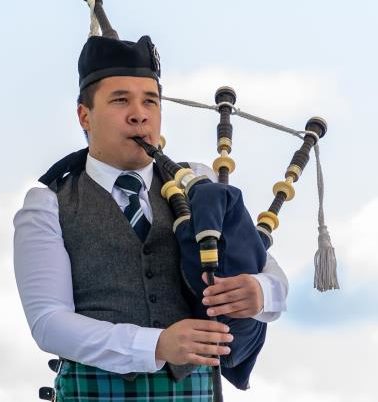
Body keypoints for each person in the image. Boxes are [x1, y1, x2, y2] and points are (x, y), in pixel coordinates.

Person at [14, 34, 288, 401]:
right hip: (95, 393)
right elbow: (48, 323)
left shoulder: (198, 184)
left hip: (192, 393)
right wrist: (156, 345)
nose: (139, 114)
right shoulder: (48, 204)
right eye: (120, 100)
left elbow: (270, 273)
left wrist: (260, 292)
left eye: (150, 101)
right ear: (84, 115)